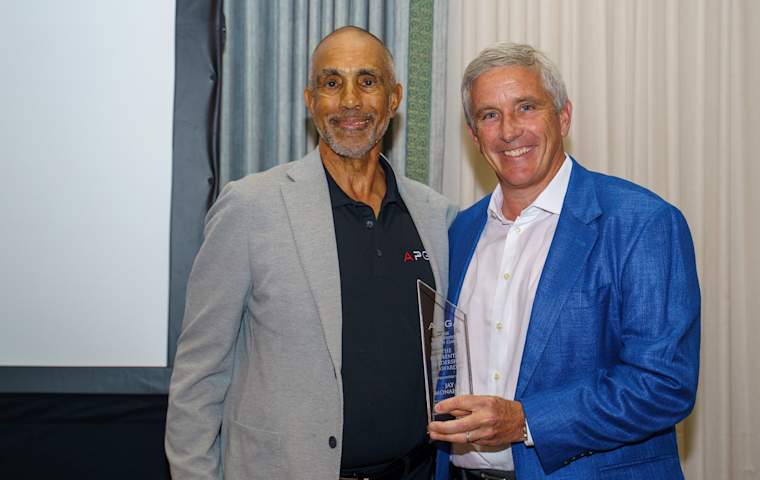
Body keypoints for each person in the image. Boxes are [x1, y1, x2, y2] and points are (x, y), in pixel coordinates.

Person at [166, 26, 456, 479]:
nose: (349, 101)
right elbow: (198, 376)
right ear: (309, 100)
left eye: (367, 81)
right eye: (331, 82)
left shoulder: (436, 216)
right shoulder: (250, 207)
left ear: (394, 98)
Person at [428, 43, 701, 479]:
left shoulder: (642, 222)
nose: (509, 131)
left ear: (563, 117)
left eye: (526, 107)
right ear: (475, 136)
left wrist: (525, 422)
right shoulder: (460, 231)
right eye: (489, 115)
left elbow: (663, 385)